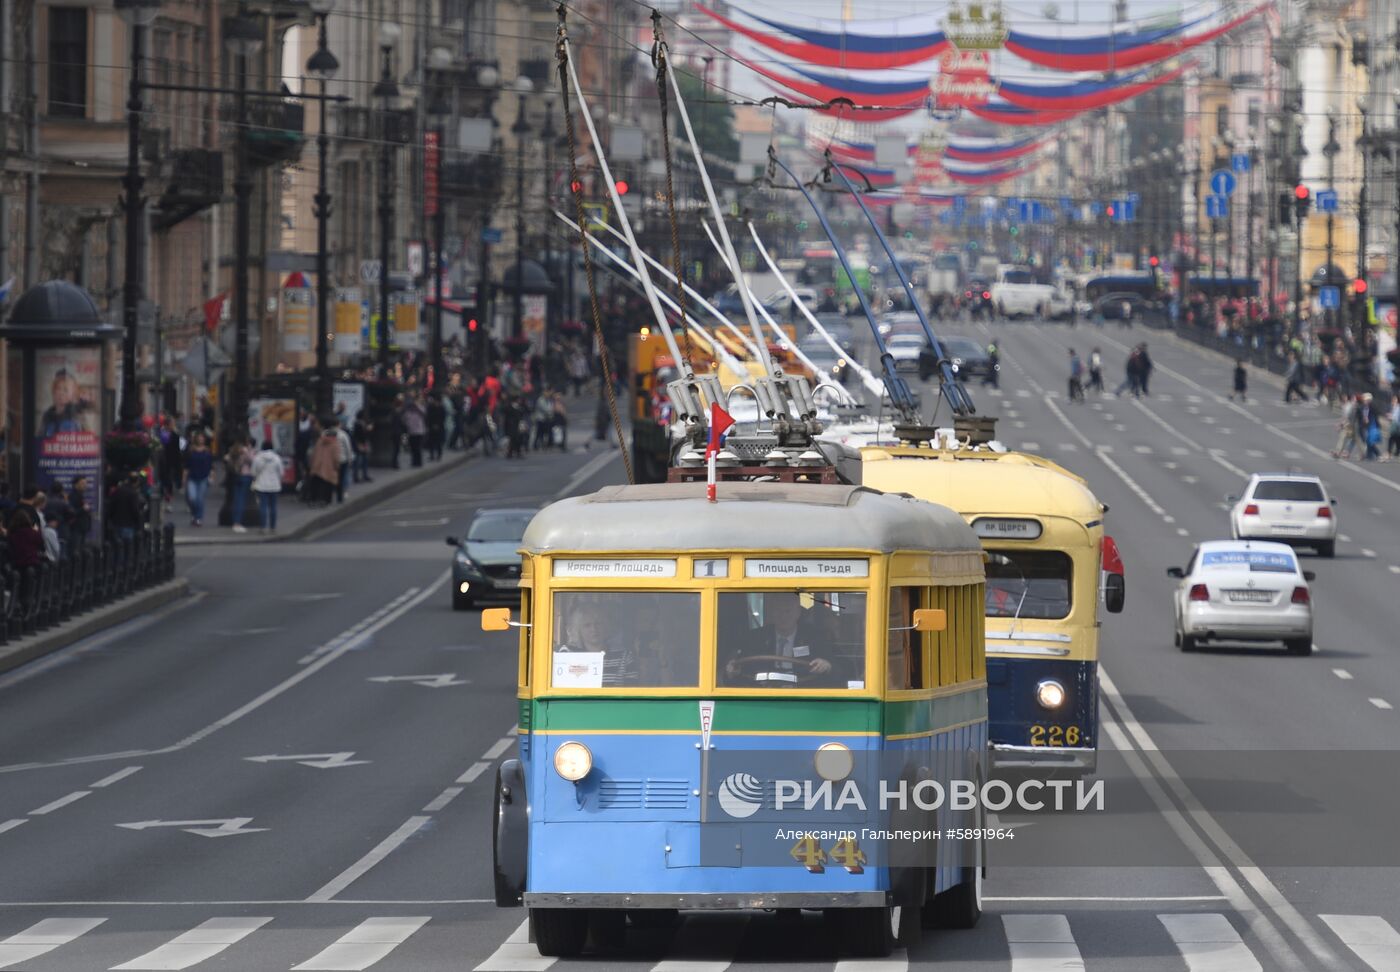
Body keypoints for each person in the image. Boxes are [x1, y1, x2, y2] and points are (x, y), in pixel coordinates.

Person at [723, 592, 836, 687]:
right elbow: (740, 668)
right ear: (772, 613)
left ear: (798, 613)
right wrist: (732, 671)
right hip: (762, 696)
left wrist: (827, 665)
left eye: (788, 611)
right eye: (778, 611)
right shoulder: (755, 638)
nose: (783, 616)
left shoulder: (814, 638)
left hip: (802, 695)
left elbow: (839, 668)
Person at [7, 487, 46, 570]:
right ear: (35, 497)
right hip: (30, 557)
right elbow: (39, 537)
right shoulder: (32, 512)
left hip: (15, 556)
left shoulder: (13, 508)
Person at [251, 439, 285, 533]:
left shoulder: (258, 458)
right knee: (273, 507)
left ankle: (262, 527)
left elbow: (253, 472)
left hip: (261, 485)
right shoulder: (277, 458)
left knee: (263, 506)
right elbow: (281, 473)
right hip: (274, 485)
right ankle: (273, 527)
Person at [183, 433, 213, 526]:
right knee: (192, 498)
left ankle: (198, 517)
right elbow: (186, 466)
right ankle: (194, 514)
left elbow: (211, 466)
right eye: (199, 438)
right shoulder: (191, 451)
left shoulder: (207, 451)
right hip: (192, 477)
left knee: (200, 499)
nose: (201, 440)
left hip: (203, 477)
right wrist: (184, 478)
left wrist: (211, 476)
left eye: (202, 438)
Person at [225, 436, 254, 533]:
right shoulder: (244, 450)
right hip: (245, 475)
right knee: (241, 500)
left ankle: (234, 521)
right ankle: (238, 522)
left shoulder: (233, 450)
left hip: (235, 475)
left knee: (236, 499)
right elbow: (251, 460)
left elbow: (226, 459)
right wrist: (250, 450)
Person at [309, 426, 341, 506]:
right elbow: (336, 458)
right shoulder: (335, 444)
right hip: (329, 468)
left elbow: (313, 454)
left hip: (317, 467)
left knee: (316, 485)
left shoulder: (319, 442)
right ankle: (325, 500)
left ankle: (313, 500)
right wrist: (337, 467)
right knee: (328, 485)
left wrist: (312, 465)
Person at [400, 393, 427, 468]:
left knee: (418, 448)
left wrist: (417, 406)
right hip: (411, 431)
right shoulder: (408, 412)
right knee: (412, 448)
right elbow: (404, 419)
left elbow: (424, 413)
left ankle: (418, 462)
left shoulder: (420, 409)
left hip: (419, 431)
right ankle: (414, 461)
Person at [331, 418, 353, 503]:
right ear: (338, 424)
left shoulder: (327, 433)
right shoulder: (343, 434)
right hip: (342, 459)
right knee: (341, 477)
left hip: (332, 459)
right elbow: (348, 447)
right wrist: (350, 458)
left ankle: (333, 493)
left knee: (334, 477)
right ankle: (340, 496)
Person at [351, 412, 373, 483]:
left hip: (361, 443)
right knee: (359, 460)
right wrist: (368, 430)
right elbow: (361, 434)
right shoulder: (359, 424)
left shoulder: (358, 423)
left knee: (362, 460)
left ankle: (361, 476)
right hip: (360, 443)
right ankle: (359, 476)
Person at [1333, 395, 1357, 459]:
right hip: (1349, 425)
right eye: (1354, 400)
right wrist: (1340, 424)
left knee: (1355, 440)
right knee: (1343, 437)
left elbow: (1347, 418)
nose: (1355, 402)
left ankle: (1345, 452)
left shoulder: (1354, 407)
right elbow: (1345, 417)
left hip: (1355, 426)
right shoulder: (1347, 407)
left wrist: (1341, 425)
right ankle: (1339, 452)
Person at [426, 392, 447, 462]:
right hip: (432, 427)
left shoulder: (442, 408)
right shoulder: (430, 407)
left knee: (439, 442)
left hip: (439, 427)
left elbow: (443, 418)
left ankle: (439, 455)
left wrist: (438, 425)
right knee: (431, 442)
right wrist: (431, 425)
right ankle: (432, 455)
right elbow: (428, 417)